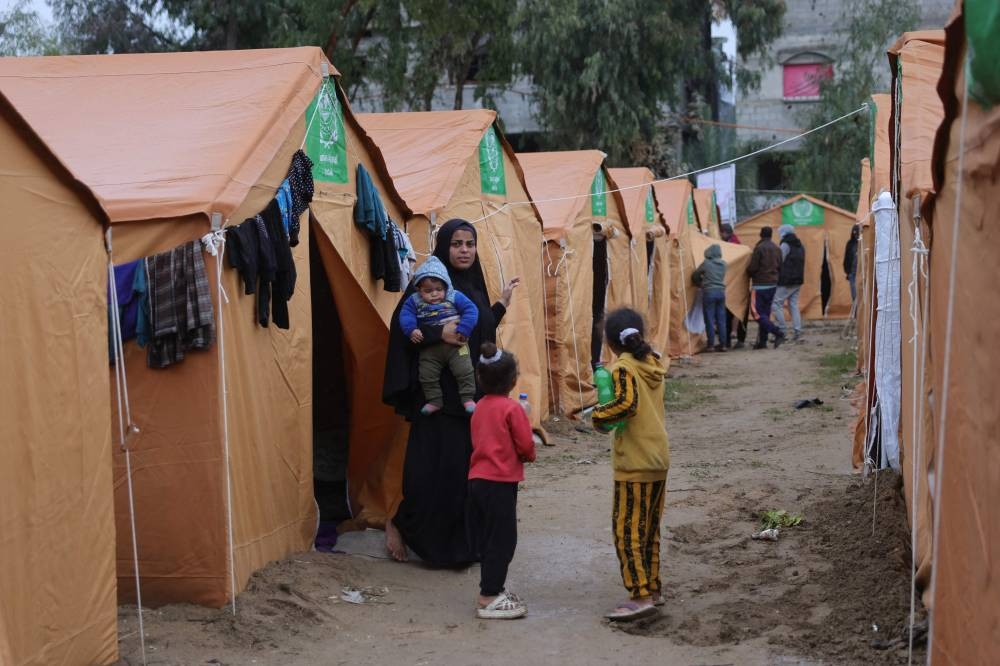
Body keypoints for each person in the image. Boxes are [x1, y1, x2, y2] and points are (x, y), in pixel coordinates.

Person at [382, 218, 520, 564]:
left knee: (464, 473)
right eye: (457, 244)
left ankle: (461, 546)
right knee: (429, 473)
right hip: (435, 397)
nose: (464, 250)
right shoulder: (430, 284)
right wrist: (434, 335)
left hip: (468, 395)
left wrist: (500, 304)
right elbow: (401, 329)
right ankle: (400, 523)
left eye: (469, 244)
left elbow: (479, 329)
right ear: (444, 247)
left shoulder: (472, 286)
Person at [592, 309, 670, 622]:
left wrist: (599, 416)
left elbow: (626, 404)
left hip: (635, 461)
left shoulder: (623, 367)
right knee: (648, 529)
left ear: (610, 343)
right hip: (657, 457)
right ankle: (652, 589)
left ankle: (639, 597)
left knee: (627, 531)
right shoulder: (651, 361)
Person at [468, 342, 536, 620]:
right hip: (500, 483)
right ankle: (488, 597)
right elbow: (525, 447)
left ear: (480, 379)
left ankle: (493, 588)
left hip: (477, 481)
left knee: (488, 537)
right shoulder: (512, 409)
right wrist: (526, 420)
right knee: (503, 540)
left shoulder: (479, 407)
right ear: (513, 380)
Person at [398, 256, 479, 415]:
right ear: (419, 289)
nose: (434, 294)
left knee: (465, 370)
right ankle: (434, 400)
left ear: (446, 286)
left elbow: (471, 310)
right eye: (428, 291)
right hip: (430, 348)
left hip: (457, 345)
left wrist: (464, 328)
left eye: (439, 289)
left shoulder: (454, 296)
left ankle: (468, 398)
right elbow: (405, 315)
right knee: (427, 374)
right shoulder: (414, 301)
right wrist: (411, 329)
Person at [746, 226, 785, 349]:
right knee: (765, 313)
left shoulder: (759, 248)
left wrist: (747, 272)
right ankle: (762, 341)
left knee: (756, 313)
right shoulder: (777, 248)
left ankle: (777, 332)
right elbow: (780, 266)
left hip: (759, 285)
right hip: (773, 284)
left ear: (760, 235)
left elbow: (753, 267)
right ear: (771, 235)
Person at [692, 244, 728, 352]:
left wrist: (700, 283)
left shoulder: (706, 263)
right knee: (721, 320)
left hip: (709, 292)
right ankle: (723, 344)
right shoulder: (724, 264)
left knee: (710, 320)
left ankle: (711, 345)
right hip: (721, 293)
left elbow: (695, 275)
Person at [773, 224, 805, 342]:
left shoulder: (785, 244)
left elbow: (779, 260)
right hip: (798, 280)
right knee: (793, 305)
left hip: (786, 280)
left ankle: (782, 331)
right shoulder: (801, 245)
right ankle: (797, 331)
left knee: (776, 304)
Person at [721, 224, 748, 349]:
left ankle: (727, 341)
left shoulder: (730, 247)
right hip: (740, 284)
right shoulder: (741, 247)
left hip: (731, 285)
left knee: (728, 313)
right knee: (740, 312)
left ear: (725, 233)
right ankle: (739, 339)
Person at [844, 225, 860, 304]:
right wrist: (848, 271)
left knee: (860, 294)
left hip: (860, 273)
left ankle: (859, 313)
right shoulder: (850, 244)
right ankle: (856, 312)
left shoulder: (861, 243)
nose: (855, 236)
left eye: (857, 234)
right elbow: (846, 258)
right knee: (854, 295)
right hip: (852, 273)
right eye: (854, 234)